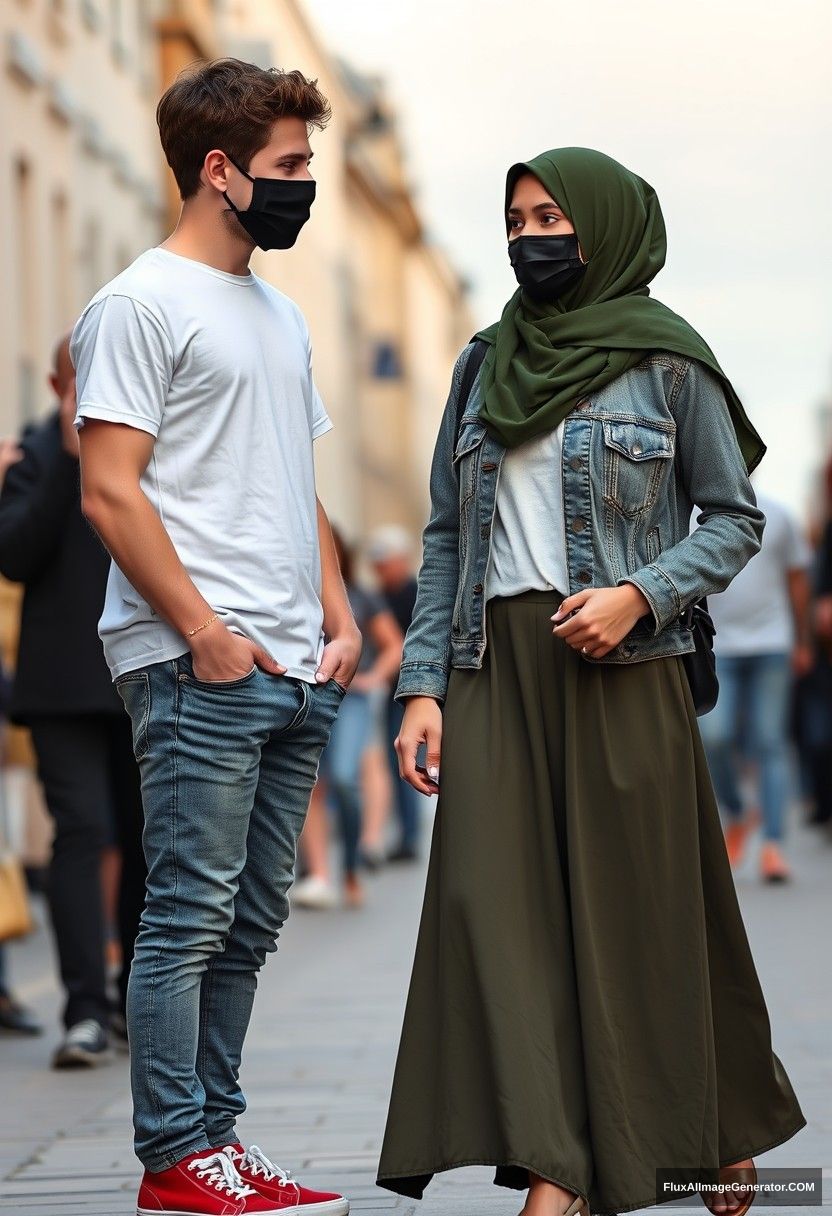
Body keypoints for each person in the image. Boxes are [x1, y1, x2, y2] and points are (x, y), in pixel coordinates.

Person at [375, 148, 806, 1216]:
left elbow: (734, 519)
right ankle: (559, 1165)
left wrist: (639, 595)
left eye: (553, 216)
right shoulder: (482, 363)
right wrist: (420, 685)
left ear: (605, 227)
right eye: (517, 217)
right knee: (500, 921)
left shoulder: (667, 363)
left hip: (621, 670)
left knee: (642, 918)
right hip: (493, 674)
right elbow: (443, 538)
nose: (531, 236)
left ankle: (711, 1127)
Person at [71, 58, 357, 1216]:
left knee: (245, 921)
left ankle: (217, 1144)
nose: (305, 186)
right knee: (186, 914)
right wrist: (205, 633)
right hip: (198, 662)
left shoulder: (276, 312)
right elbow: (110, 490)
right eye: (287, 167)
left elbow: (299, 483)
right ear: (220, 170)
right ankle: (173, 1155)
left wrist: (339, 618)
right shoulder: (139, 303)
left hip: (294, 665)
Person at [0, 334, 146, 1066]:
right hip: (62, 686)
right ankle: (84, 1009)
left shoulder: (154, 447)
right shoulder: (33, 455)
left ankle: (129, 1001)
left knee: (148, 839)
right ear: (60, 386)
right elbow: (15, 554)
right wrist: (63, 454)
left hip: (146, 672)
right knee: (83, 833)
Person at [696, 488, 813, 881]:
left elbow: (797, 579)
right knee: (714, 735)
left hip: (772, 643)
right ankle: (737, 812)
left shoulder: (777, 513)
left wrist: (802, 640)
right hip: (720, 646)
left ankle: (773, 846)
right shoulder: (695, 513)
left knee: (770, 741)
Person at [294, 526, 402, 909]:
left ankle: (353, 865)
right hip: (303, 695)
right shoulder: (294, 593)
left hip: (351, 699)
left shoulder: (361, 596)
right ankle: (321, 875)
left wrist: (373, 678)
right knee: (310, 786)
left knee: (343, 776)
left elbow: (394, 646)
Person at [366, 526, 425, 860]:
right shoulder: (378, 597)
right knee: (395, 764)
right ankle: (403, 833)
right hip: (388, 693)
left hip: (414, 692)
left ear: (400, 561)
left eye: (383, 562)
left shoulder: (415, 594)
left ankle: (410, 837)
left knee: (412, 762)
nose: (379, 569)